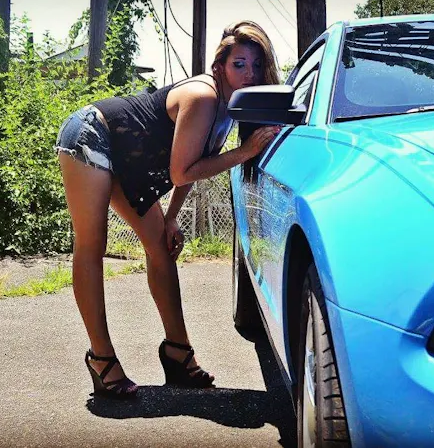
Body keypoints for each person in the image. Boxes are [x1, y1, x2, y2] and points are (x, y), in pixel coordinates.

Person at [54, 20, 281, 399]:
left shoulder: (228, 109)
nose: (250, 74)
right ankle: (101, 358)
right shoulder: (204, 97)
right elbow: (182, 172)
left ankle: (177, 353)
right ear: (220, 65)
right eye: (240, 64)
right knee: (92, 243)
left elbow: (193, 162)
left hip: (126, 156)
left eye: (257, 65)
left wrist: (172, 217)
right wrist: (244, 152)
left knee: (160, 246)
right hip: (92, 134)